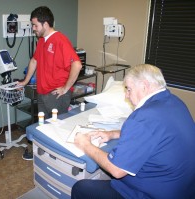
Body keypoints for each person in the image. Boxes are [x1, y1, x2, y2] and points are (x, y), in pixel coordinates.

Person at [71, 64, 195, 199]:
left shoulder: (143, 117)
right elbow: (155, 133)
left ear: (144, 85)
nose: (126, 95)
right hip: (183, 189)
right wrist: (113, 134)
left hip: (151, 193)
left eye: (129, 89)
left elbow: (116, 170)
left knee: (81, 188)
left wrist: (85, 145)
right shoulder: (175, 102)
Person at [18, 6, 82, 119]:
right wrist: (25, 81)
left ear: (45, 24)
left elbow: (77, 64)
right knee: (44, 126)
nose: (33, 28)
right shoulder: (42, 40)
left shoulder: (60, 40)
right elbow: (34, 61)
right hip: (42, 93)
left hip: (56, 95)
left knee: (56, 129)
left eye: (35, 25)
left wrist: (65, 88)